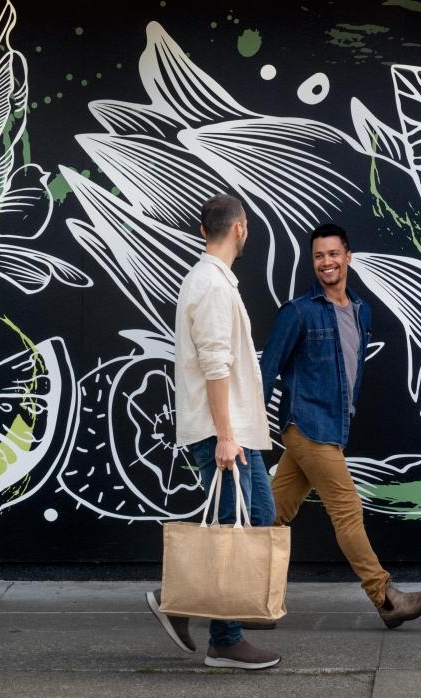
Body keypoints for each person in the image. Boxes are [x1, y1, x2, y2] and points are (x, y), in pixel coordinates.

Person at [259, 223, 421, 628]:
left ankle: (216, 591)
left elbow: (350, 371)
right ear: (314, 262)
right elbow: (266, 370)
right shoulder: (299, 312)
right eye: (319, 256)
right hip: (306, 425)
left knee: (270, 515)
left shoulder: (361, 311)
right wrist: (249, 433)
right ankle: (385, 597)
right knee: (347, 511)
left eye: (333, 254)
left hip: (333, 427)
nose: (327, 262)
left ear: (348, 257)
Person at [145, 194, 281, 670]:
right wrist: (225, 435)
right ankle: (224, 639)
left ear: (208, 229)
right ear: (240, 228)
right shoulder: (212, 285)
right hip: (226, 431)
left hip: (239, 429)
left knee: (259, 514)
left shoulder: (215, 281)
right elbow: (215, 363)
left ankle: (181, 599)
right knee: (233, 528)